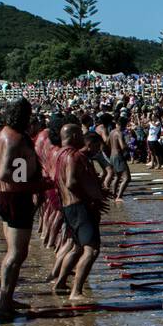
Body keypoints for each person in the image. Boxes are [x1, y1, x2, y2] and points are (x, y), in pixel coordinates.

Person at [0, 98, 41, 319]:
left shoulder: (2, 133)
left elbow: (15, 170)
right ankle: (4, 304)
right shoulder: (16, 138)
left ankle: (7, 298)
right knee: (17, 253)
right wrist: (38, 185)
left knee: (13, 251)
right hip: (15, 197)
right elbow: (6, 173)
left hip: (4, 196)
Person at [52, 123, 109, 302]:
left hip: (69, 207)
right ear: (76, 136)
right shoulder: (74, 156)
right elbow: (71, 182)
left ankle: (60, 283)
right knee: (91, 250)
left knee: (76, 248)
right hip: (80, 207)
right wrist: (91, 198)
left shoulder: (59, 154)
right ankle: (76, 292)